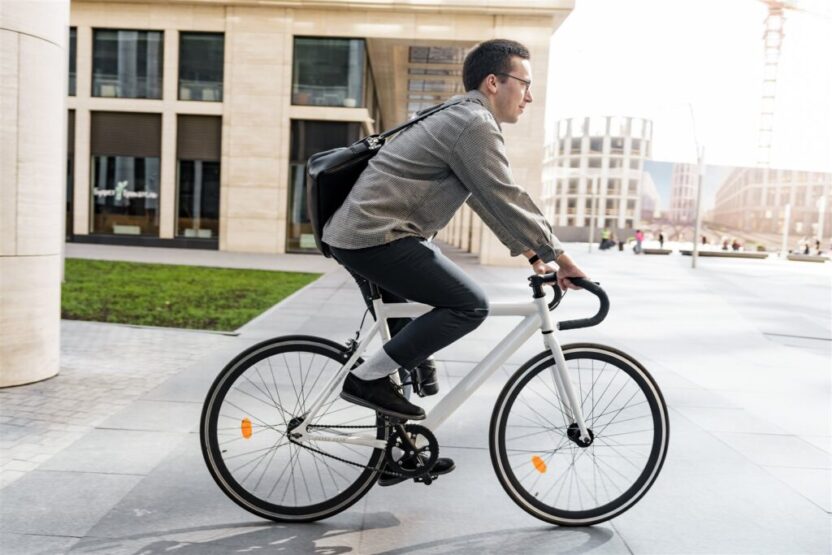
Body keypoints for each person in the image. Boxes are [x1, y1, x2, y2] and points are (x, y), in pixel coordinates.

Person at [321, 39, 587, 485]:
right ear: (493, 82)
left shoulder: (459, 115)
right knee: (469, 305)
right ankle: (364, 381)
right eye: (524, 83)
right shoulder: (473, 123)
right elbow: (505, 195)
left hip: (365, 234)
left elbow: (485, 197)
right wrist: (561, 257)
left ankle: (396, 453)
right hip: (375, 236)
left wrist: (531, 251)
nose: (530, 95)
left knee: (406, 354)